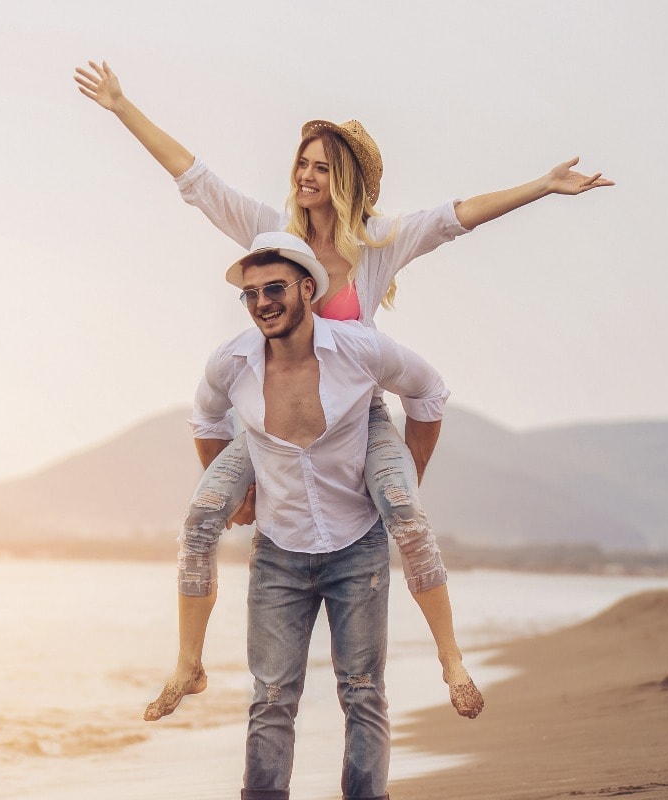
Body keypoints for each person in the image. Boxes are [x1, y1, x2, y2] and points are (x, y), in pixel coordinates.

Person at [72, 59, 613, 721]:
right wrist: (123, 106)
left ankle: (451, 660)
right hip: (271, 421)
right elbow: (196, 179)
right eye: (302, 162)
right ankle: (188, 664)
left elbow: (458, 216)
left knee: (406, 518)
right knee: (200, 517)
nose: (305, 175)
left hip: (360, 419)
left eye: (321, 166)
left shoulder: (379, 242)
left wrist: (544, 185)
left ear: (345, 179)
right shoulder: (273, 233)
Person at [205, 235, 449, 800]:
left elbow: (429, 391)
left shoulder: (358, 348)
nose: (262, 302)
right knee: (270, 699)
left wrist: (406, 471)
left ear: (308, 289)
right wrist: (241, 494)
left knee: (363, 694)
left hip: (356, 544)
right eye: (250, 295)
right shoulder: (235, 361)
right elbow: (205, 415)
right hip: (278, 553)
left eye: (274, 288)